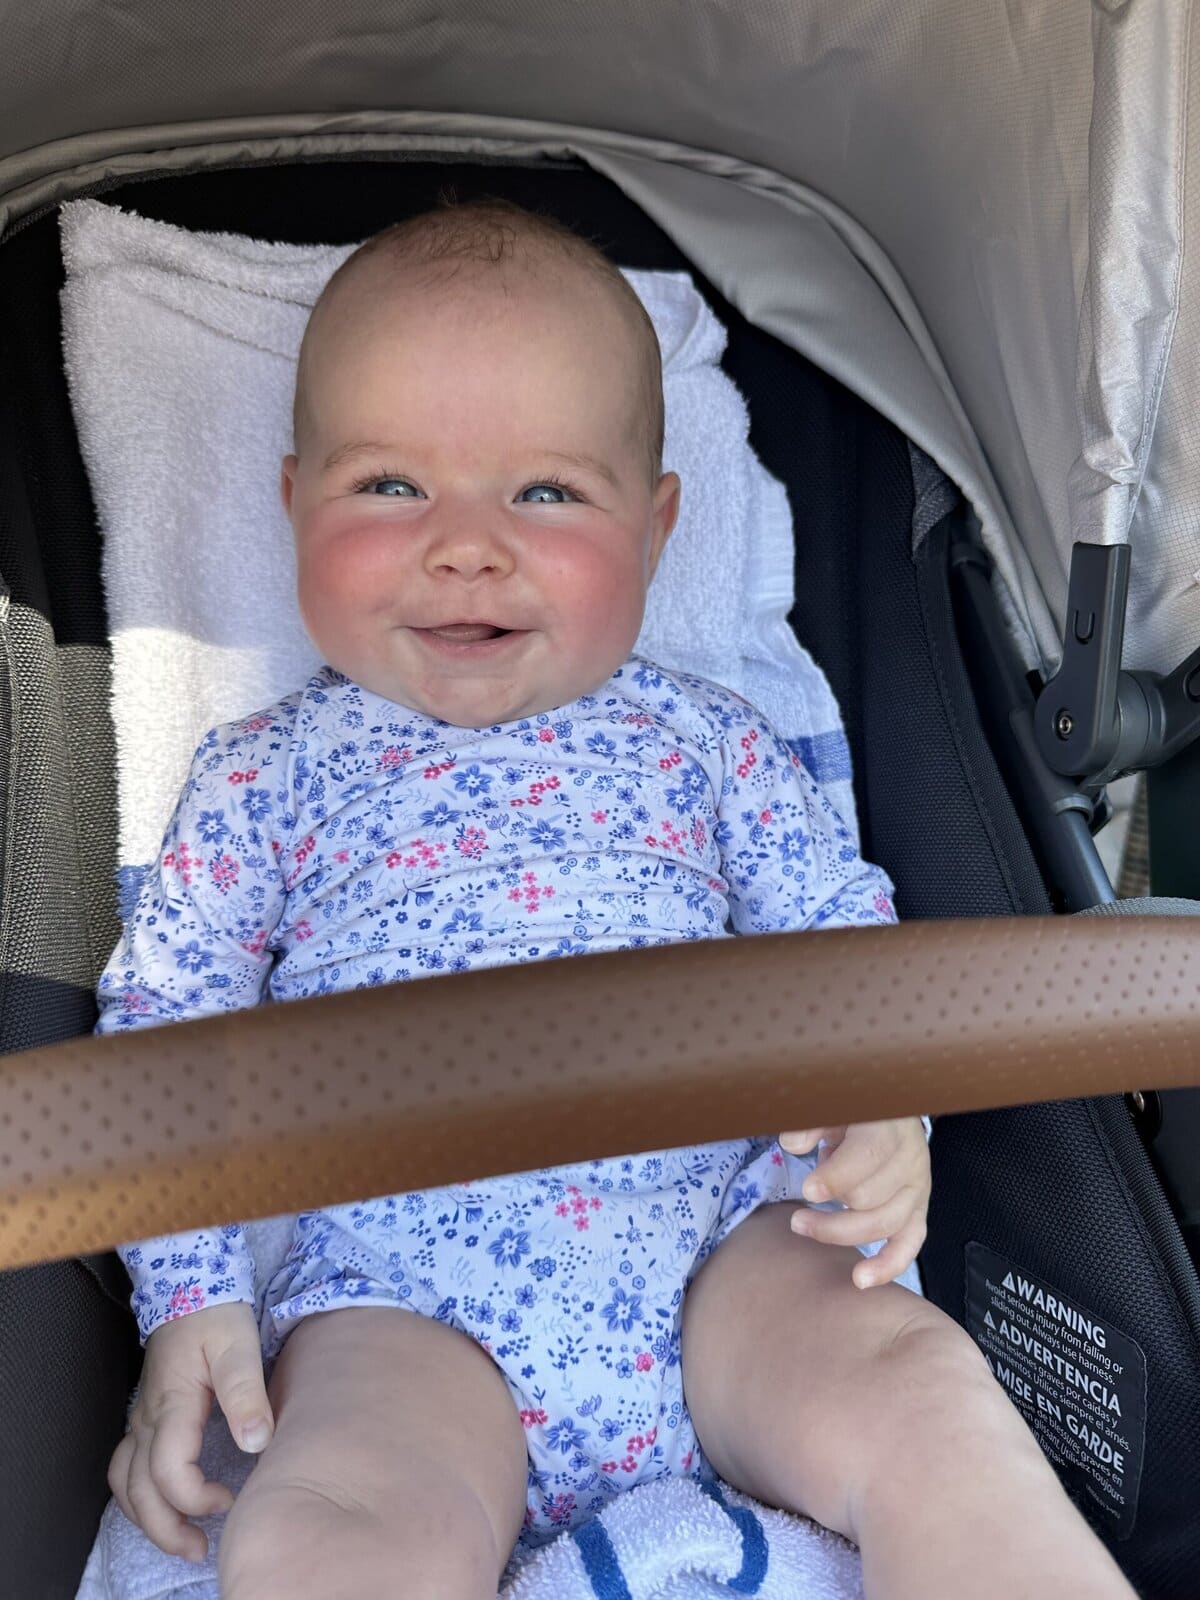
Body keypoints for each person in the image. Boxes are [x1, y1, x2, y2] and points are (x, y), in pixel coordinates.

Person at [98, 198, 1135, 1600]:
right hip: (403, 1300)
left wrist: (883, 1096)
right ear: (294, 506)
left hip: (725, 1250)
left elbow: (834, 927)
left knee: (922, 1391)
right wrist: (192, 1299)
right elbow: (167, 1023)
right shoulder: (262, 774)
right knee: (334, 1522)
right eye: (390, 487)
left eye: (545, 493)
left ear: (655, 531)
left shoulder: (707, 743)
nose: (466, 546)